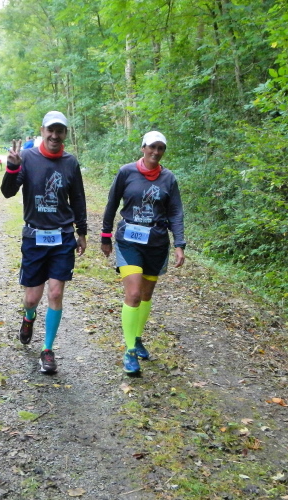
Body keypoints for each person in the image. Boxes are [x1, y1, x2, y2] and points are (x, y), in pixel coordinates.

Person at [0, 111, 88, 374]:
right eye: (51, 130)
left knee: (56, 293)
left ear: (65, 134)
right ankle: (29, 317)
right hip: (35, 237)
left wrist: (82, 232)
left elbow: (78, 198)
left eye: (60, 131)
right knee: (31, 298)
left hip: (62, 237)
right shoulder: (27, 158)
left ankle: (47, 350)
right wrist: (12, 168)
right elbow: (8, 192)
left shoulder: (70, 162)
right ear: (42, 131)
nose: (54, 135)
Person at [100, 131, 186, 374]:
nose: (155, 152)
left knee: (146, 295)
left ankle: (137, 339)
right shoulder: (126, 172)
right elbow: (112, 203)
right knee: (134, 294)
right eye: (152, 147)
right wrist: (105, 235)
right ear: (143, 148)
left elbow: (175, 212)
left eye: (160, 148)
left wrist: (179, 243)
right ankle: (129, 351)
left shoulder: (169, 178)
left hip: (156, 243)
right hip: (129, 241)